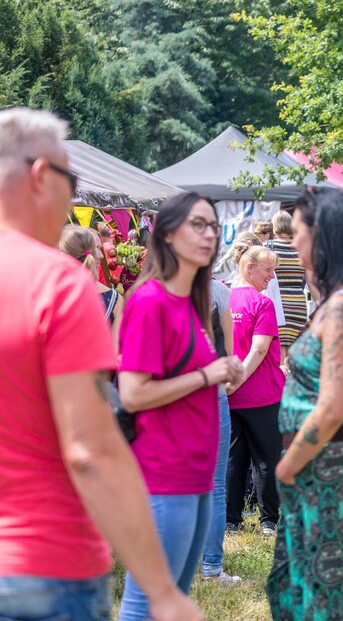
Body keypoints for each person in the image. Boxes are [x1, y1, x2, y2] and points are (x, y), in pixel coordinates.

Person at [0, 108, 204, 621]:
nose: (73, 197)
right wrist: (160, 591)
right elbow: (90, 449)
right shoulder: (58, 284)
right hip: (39, 564)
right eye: (71, 180)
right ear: (41, 176)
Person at [118, 192, 245, 619]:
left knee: (173, 600)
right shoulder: (149, 300)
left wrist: (225, 370)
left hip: (195, 475)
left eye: (213, 225)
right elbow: (133, 392)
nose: (209, 234)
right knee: (146, 604)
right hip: (162, 475)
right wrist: (208, 376)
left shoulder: (192, 300)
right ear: (168, 235)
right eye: (197, 224)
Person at [267, 187, 343, 620]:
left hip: (322, 459)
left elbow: (333, 405)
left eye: (296, 233)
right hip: (319, 458)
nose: (290, 242)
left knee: (320, 590)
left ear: (322, 236)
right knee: (301, 581)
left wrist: (286, 465)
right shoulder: (339, 300)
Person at [226, 242, 285, 537]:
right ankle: (268, 520)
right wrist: (238, 381)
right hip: (261, 393)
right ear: (249, 268)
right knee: (266, 457)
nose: (272, 276)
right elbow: (259, 349)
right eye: (268, 270)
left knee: (234, 458)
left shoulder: (223, 298)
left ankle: (231, 519)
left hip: (230, 394)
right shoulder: (262, 303)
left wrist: (229, 385)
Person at [199, 275, 241, 584]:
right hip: (211, 389)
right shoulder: (217, 290)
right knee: (214, 485)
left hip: (170, 392)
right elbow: (229, 348)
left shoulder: (152, 290)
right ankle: (211, 566)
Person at [59, 224, 124, 344]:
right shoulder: (113, 299)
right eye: (98, 248)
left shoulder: (48, 295)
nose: (100, 254)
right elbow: (114, 353)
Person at [270, 210, 308, 361]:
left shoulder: (268, 247)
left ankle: (280, 383)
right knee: (292, 354)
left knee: (277, 352)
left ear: (274, 227)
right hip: (298, 305)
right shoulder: (302, 249)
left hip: (276, 305)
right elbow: (311, 282)